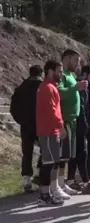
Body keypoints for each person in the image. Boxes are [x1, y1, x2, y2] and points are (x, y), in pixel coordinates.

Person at [56, 49, 88, 199]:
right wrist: (75, 88)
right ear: (67, 59)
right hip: (65, 120)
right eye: (76, 60)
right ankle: (58, 184)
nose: (78, 64)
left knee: (67, 156)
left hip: (73, 121)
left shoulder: (72, 75)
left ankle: (62, 184)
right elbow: (58, 92)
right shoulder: (61, 75)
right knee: (61, 156)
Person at [36, 60, 66, 206]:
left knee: (52, 163)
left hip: (52, 130)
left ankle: (48, 193)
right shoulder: (47, 88)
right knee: (47, 164)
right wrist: (60, 126)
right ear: (50, 71)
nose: (62, 74)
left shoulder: (52, 87)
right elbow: (51, 111)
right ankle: (44, 195)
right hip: (48, 131)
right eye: (59, 71)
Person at [10, 65, 43, 193]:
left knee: (27, 151)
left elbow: (13, 109)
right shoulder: (42, 86)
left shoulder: (20, 88)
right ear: (40, 73)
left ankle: (26, 180)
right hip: (40, 123)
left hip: (26, 124)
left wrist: (21, 120)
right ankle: (41, 174)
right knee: (45, 149)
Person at [66, 66, 90, 194]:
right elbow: (81, 108)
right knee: (80, 153)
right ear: (85, 75)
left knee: (78, 153)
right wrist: (86, 124)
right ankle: (84, 181)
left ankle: (74, 180)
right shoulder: (80, 88)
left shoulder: (87, 88)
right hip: (78, 125)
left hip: (83, 125)